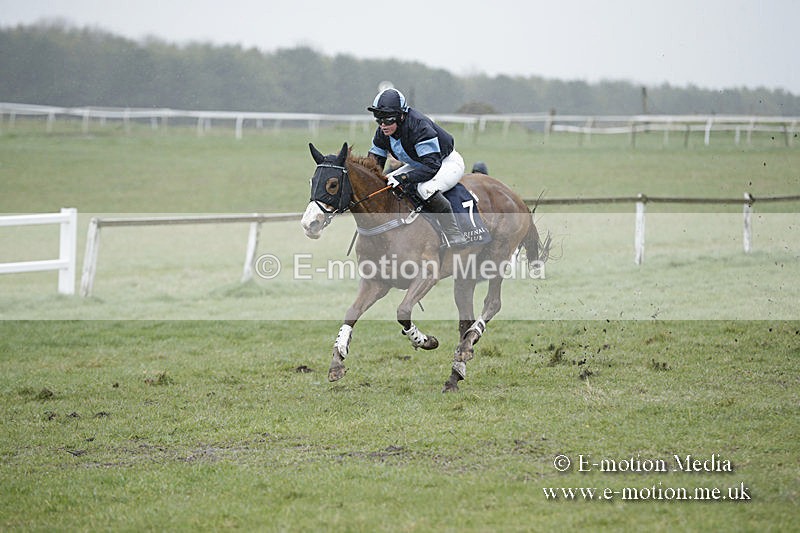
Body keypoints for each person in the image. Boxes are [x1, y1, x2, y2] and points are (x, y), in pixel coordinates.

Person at [366, 88, 468, 247]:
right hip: (419, 164)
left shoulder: (419, 127)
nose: (383, 125)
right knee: (386, 184)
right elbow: (373, 167)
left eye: (388, 120)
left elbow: (431, 167)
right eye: (379, 120)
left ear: (401, 116)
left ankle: (454, 233)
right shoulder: (381, 134)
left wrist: (403, 178)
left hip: (445, 163)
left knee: (425, 189)